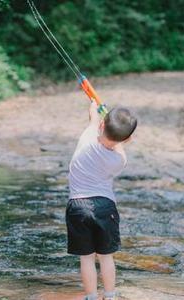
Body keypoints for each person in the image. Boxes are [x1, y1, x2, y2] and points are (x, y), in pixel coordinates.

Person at [66, 101, 137, 300]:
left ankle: (91, 296)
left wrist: (94, 108)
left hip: (78, 206)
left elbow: (92, 121)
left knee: (86, 258)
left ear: (102, 126)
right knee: (106, 257)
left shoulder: (87, 138)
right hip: (105, 207)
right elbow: (118, 146)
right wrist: (122, 141)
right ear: (128, 138)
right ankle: (110, 295)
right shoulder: (119, 160)